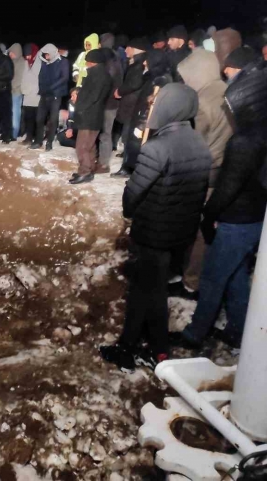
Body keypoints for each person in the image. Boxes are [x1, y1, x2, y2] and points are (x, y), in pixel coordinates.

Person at [101, 84, 212, 371]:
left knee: (150, 292)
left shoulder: (158, 147)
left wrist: (128, 208)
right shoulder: (200, 144)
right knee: (146, 288)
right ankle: (133, 345)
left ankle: (156, 351)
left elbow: (134, 192)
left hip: (153, 234)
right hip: (178, 233)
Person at [176, 85, 267, 350]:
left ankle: (195, 334)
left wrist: (209, 214)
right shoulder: (265, 135)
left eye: (230, 106)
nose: (227, 112)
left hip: (237, 221)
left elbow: (229, 185)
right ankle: (238, 330)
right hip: (253, 218)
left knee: (212, 277)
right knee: (236, 275)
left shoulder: (244, 142)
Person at [177, 49, 233, 186]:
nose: (186, 82)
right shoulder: (227, 89)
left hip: (205, 167)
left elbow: (194, 141)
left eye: (187, 77)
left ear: (197, 73)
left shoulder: (202, 101)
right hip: (223, 161)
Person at [116, 49, 171, 176]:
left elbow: (154, 101)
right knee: (132, 142)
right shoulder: (150, 76)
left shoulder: (160, 80)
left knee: (138, 143)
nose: (145, 62)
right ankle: (128, 166)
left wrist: (144, 120)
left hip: (145, 118)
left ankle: (133, 169)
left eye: (148, 60)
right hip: (139, 113)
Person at [69, 49, 112, 184]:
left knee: (82, 146)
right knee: (90, 145)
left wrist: (79, 104)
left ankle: (85, 172)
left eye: (88, 61)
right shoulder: (98, 74)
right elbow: (88, 92)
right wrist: (78, 92)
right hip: (93, 115)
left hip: (90, 115)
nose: (86, 64)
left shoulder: (99, 76)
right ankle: (89, 168)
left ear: (94, 62)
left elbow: (93, 97)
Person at [113, 38, 150, 174]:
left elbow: (134, 83)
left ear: (135, 49)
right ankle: (126, 158)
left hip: (132, 103)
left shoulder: (139, 64)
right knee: (127, 133)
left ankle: (127, 167)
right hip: (130, 101)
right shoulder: (135, 62)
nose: (126, 50)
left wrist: (120, 91)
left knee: (130, 134)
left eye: (129, 47)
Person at [31, 43, 70, 150]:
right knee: (39, 118)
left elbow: (65, 77)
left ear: (52, 53)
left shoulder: (63, 62)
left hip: (56, 95)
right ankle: (38, 141)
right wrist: (41, 87)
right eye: (44, 55)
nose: (46, 56)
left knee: (53, 120)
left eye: (47, 54)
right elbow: (41, 76)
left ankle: (49, 142)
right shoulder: (45, 63)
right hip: (44, 94)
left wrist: (52, 87)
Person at [97, 46, 124, 174]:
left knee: (105, 134)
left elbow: (105, 88)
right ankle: (101, 160)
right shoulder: (116, 65)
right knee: (104, 134)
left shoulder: (110, 69)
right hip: (110, 105)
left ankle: (103, 164)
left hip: (108, 106)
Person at [20, 43, 41, 145]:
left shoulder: (40, 61)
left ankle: (37, 138)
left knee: (37, 118)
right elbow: (23, 77)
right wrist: (23, 89)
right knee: (28, 118)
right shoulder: (25, 63)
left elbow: (40, 78)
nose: (27, 57)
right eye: (26, 55)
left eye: (29, 54)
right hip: (27, 95)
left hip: (37, 95)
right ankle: (28, 137)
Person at [8, 43, 26, 140]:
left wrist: (11, 86)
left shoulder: (22, 62)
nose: (10, 54)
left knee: (15, 113)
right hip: (10, 91)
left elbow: (19, 79)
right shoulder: (12, 62)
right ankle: (10, 132)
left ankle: (14, 134)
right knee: (10, 113)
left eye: (11, 52)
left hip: (17, 92)